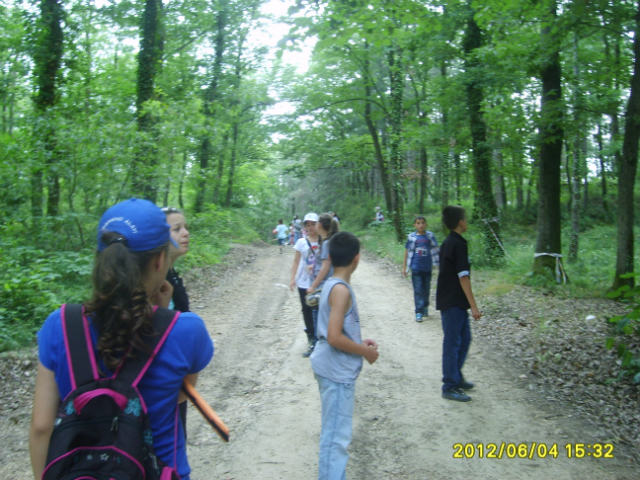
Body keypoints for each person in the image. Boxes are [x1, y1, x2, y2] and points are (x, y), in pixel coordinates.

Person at [29, 198, 214, 480]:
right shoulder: (188, 330)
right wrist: (163, 314)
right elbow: (177, 395)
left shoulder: (60, 324)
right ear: (160, 259)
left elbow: (42, 426)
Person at [310, 231, 379, 479]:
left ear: (330, 256)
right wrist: (365, 353)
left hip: (330, 366)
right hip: (336, 372)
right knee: (336, 438)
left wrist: (359, 341)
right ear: (357, 259)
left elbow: (336, 330)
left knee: (335, 433)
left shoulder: (331, 284)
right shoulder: (341, 290)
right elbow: (334, 337)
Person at [436, 205, 482, 402]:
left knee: (464, 340)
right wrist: (474, 306)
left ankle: (456, 376)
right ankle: (449, 386)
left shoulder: (449, 243)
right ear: (461, 222)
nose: (467, 221)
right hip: (453, 303)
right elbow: (463, 277)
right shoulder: (458, 245)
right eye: (466, 218)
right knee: (453, 343)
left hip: (454, 302)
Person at [162, 206, 191, 439]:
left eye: (186, 227)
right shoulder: (156, 281)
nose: (186, 233)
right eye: (177, 228)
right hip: (164, 384)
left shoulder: (170, 275)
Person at [306, 213, 340, 355]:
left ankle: (320, 350)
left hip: (323, 287)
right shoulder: (329, 241)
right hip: (328, 285)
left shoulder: (326, 243)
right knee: (325, 318)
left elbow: (326, 267)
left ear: (319, 225)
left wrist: (313, 286)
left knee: (318, 318)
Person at [290, 213, 320, 357]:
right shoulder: (301, 242)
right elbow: (296, 261)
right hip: (303, 281)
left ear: (318, 224)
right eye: (307, 225)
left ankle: (321, 338)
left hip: (319, 281)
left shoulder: (324, 240)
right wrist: (292, 278)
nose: (310, 227)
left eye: (313, 224)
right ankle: (311, 337)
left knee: (320, 309)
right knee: (306, 309)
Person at [402, 215, 440, 322]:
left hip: (427, 268)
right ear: (414, 225)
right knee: (418, 289)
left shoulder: (430, 236)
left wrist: (440, 264)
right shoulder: (412, 237)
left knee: (426, 289)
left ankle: (425, 307)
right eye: (418, 223)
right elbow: (407, 251)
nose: (421, 225)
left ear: (426, 224)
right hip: (416, 267)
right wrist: (404, 267)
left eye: (422, 223)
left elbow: (436, 250)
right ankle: (418, 311)